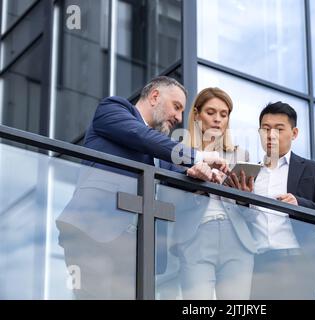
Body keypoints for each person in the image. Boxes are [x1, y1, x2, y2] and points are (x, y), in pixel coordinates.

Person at [56, 77, 228, 299]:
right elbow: (141, 136)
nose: (178, 117)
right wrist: (198, 156)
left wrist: (203, 175)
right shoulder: (112, 110)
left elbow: (180, 177)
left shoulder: (163, 152)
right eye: (176, 107)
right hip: (93, 230)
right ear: (155, 96)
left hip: (137, 248)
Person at [228, 101, 315, 300]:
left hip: (298, 266)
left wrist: (299, 204)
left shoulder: (312, 170)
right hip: (257, 268)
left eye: (279, 129)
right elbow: (241, 223)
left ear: (294, 133)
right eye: (265, 129)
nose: (271, 135)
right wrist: (243, 202)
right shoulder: (249, 174)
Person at [157, 87, 257, 299]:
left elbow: (253, 213)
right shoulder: (175, 151)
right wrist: (196, 185)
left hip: (237, 238)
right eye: (210, 113)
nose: (217, 119)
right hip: (196, 236)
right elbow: (165, 200)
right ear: (196, 114)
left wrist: (244, 197)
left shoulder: (240, 154)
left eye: (223, 114)